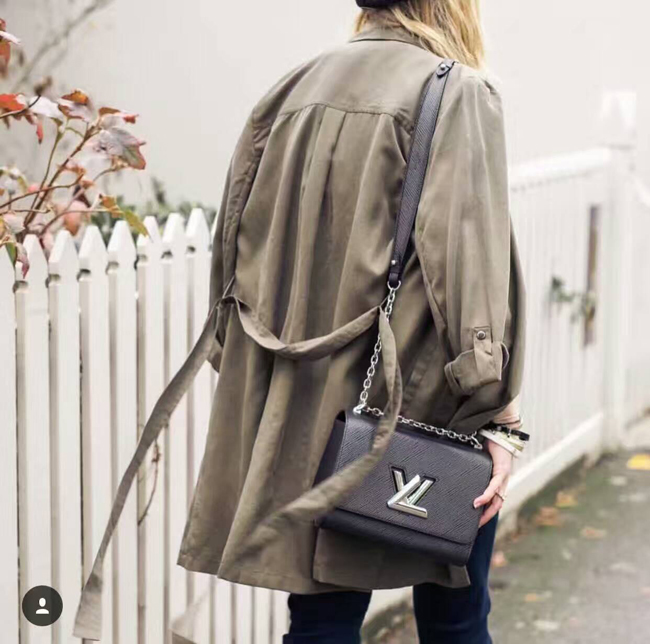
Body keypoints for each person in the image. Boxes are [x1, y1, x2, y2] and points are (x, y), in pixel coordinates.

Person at [73, 1, 527, 642]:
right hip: (424, 406)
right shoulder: (457, 91)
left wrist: (256, 372)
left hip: (308, 403)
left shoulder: (292, 89)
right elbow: (467, 265)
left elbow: (233, 254)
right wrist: (500, 414)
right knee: (455, 614)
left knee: (320, 619)